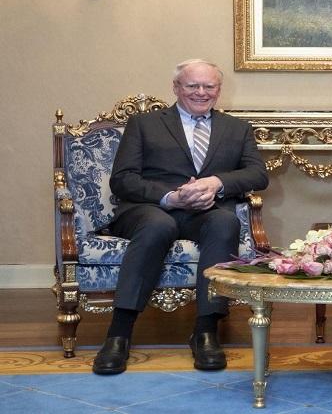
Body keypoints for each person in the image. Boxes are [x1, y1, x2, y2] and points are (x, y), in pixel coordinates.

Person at [92, 59, 269, 375]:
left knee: (225, 221)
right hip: (150, 209)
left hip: (204, 212)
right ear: (176, 88)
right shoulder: (144, 124)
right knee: (159, 224)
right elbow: (122, 178)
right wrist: (170, 196)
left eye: (209, 86)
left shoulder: (237, 128)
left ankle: (205, 332)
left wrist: (216, 183)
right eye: (192, 85)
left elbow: (258, 173)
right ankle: (118, 335)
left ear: (218, 90)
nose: (201, 92)